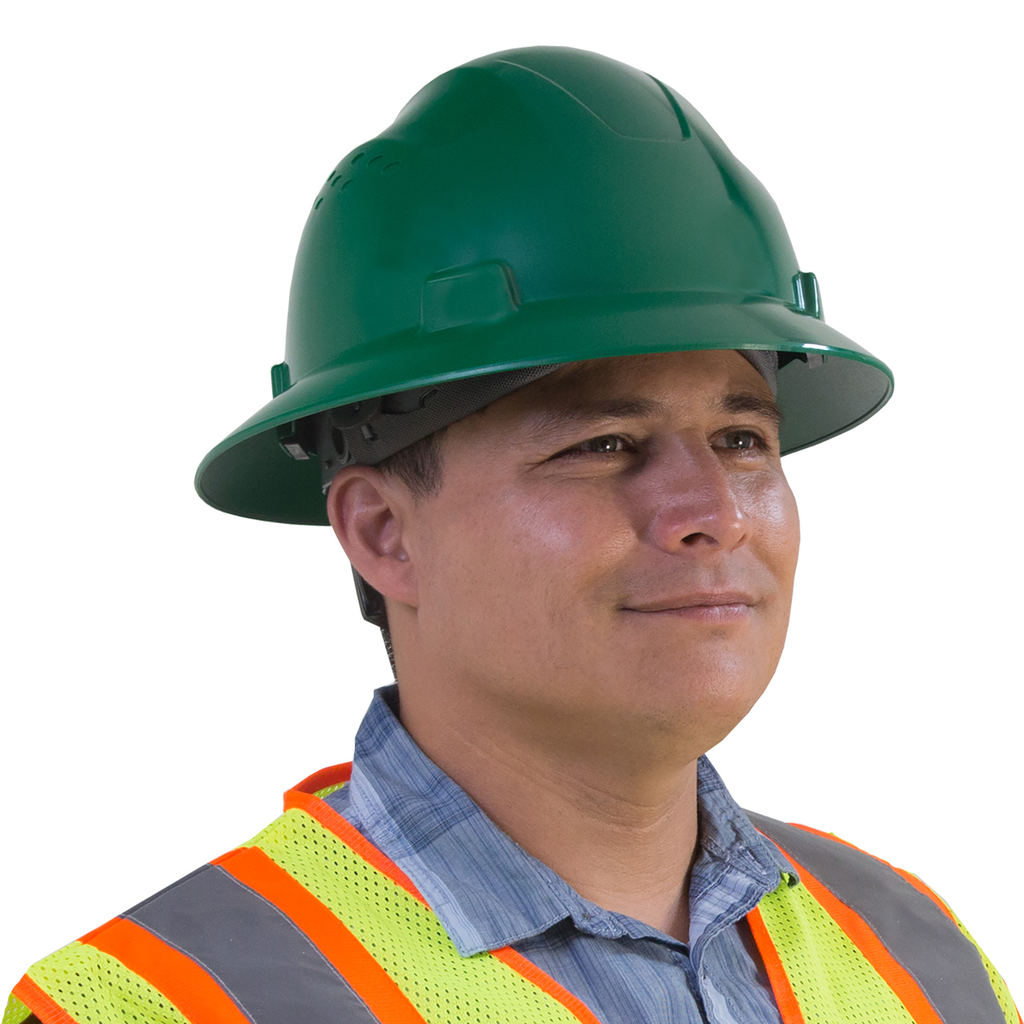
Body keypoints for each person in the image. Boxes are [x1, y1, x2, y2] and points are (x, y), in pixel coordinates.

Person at [6, 46, 1017, 1024]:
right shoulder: (165, 1002)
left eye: (742, 437)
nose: (710, 510)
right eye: (606, 441)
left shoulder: (920, 962)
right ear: (383, 531)